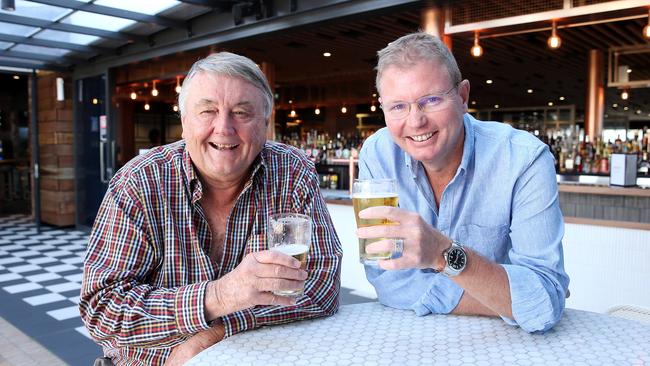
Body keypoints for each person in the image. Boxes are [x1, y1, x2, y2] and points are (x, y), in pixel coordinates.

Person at [80, 52, 342, 365]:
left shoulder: (292, 172)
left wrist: (219, 331)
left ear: (265, 123)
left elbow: (323, 283)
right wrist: (218, 296)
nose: (224, 128)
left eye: (241, 112)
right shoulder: (140, 181)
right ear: (184, 120)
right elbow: (102, 310)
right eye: (208, 111)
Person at [356, 32, 569, 333]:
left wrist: (442, 254)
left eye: (431, 100)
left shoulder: (524, 159)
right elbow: (385, 279)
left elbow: (542, 303)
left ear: (463, 96)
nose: (416, 121)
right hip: (409, 338)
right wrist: (507, 300)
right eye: (398, 107)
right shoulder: (378, 153)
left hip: (504, 347)